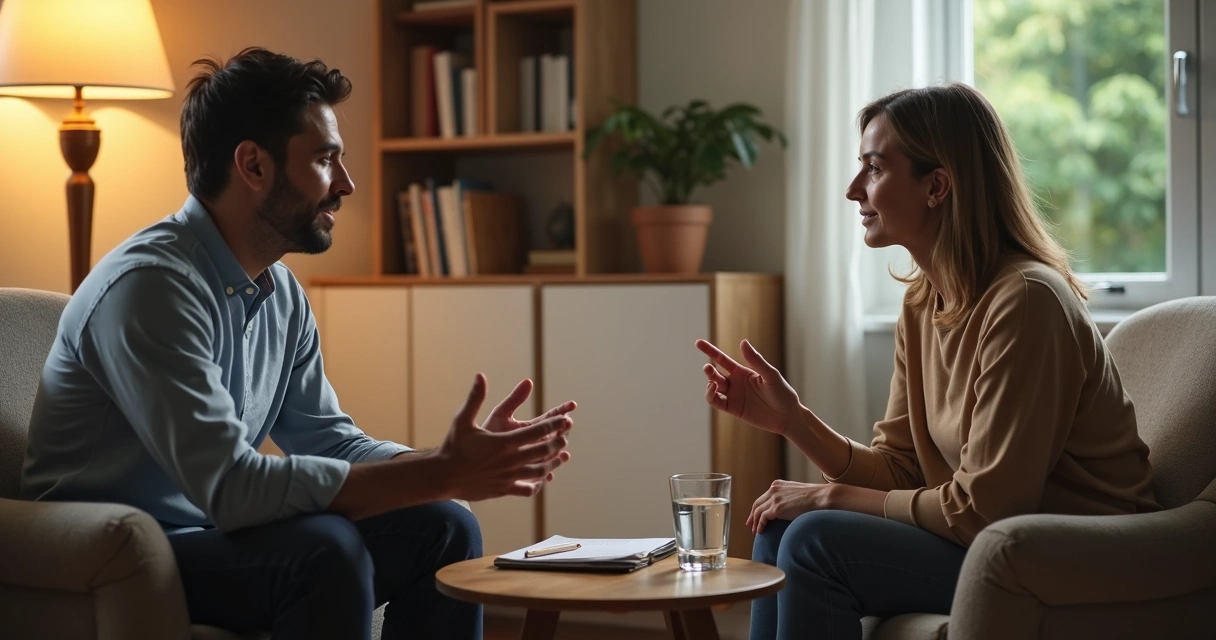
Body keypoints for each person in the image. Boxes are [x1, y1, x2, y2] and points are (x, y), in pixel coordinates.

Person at [21, 48, 575, 640]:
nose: (347, 184)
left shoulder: (279, 291)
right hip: (116, 551)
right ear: (253, 166)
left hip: (210, 537)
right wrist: (439, 473)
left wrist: (444, 468)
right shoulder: (151, 288)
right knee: (322, 551)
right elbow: (233, 489)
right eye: (325, 160)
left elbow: (332, 441)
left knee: (443, 525)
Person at [695, 83, 1159, 640]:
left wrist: (829, 494)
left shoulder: (1027, 301)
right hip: (991, 541)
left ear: (936, 186)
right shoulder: (924, 302)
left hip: (1072, 552)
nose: (852, 190)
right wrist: (793, 421)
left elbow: (986, 510)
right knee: (780, 528)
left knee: (814, 538)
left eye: (873, 168)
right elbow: (902, 470)